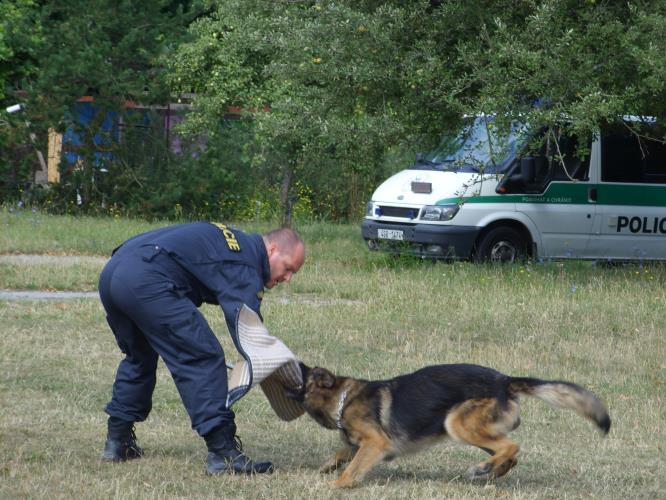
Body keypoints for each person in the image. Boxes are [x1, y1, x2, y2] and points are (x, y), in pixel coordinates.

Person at [98, 222, 305, 475]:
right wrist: (286, 372)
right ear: (272, 250)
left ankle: (118, 442)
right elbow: (248, 328)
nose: (288, 278)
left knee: (139, 357)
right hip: (146, 278)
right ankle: (223, 454)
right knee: (202, 356)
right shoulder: (246, 261)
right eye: (288, 268)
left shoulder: (235, 242)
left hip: (114, 273)